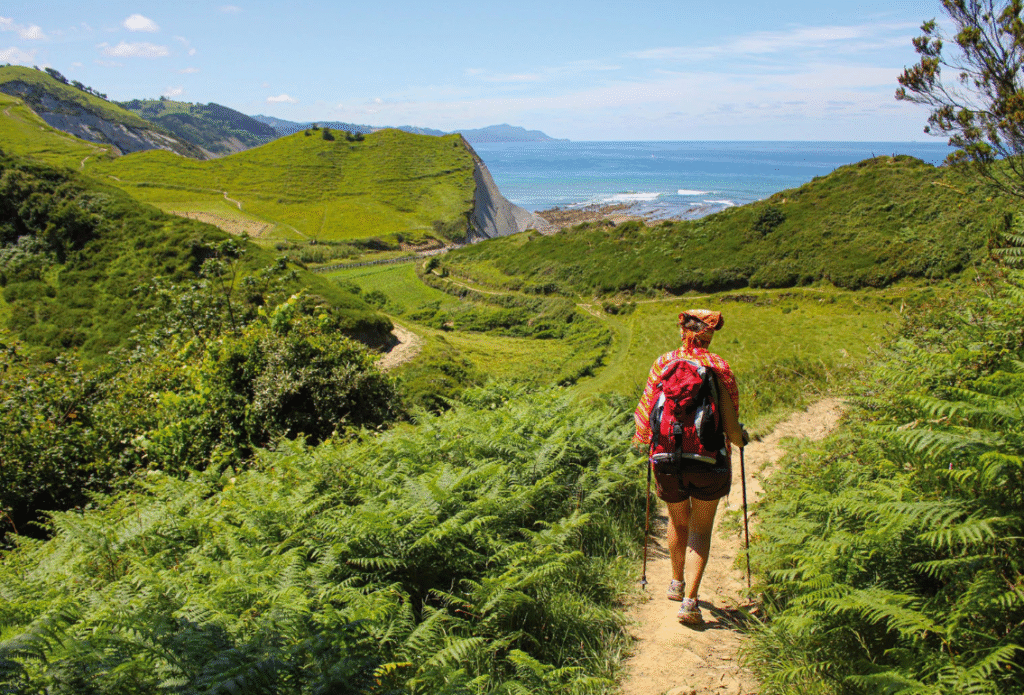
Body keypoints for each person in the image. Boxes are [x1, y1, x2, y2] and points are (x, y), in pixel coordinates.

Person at [633, 309, 747, 625]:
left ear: (682, 331)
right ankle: (690, 602)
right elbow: (733, 430)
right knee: (700, 527)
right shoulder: (718, 368)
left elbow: (644, 418)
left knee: (677, 520)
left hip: (667, 460)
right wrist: (741, 438)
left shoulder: (662, 363)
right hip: (707, 462)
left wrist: (648, 441)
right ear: (708, 336)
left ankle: (675, 582)